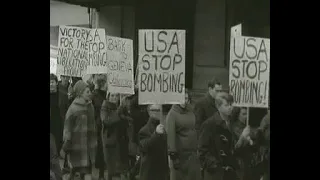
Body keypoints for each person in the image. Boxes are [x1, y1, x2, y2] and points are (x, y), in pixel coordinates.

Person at [61, 80, 97, 180]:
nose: (90, 94)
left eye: (90, 91)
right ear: (80, 93)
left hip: (88, 147)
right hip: (76, 147)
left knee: (87, 173)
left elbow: (93, 126)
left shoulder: (91, 107)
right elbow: (67, 127)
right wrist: (67, 142)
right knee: (75, 172)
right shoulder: (73, 109)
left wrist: (95, 142)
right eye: (87, 92)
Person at [198, 92, 239, 180]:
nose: (230, 107)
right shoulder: (209, 124)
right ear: (218, 107)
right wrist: (215, 165)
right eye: (226, 105)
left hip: (230, 171)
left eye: (231, 104)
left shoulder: (232, 123)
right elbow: (202, 151)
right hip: (215, 173)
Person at [166, 89, 201, 180]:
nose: (184, 101)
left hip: (192, 155)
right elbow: (170, 136)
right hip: (180, 156)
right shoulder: (172, 114)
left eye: (186, 98)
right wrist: (173, 156)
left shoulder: (190, 111)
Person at [100, 92, 127, 180]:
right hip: (110, 141)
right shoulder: (105, 107)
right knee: (111, 169)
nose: (114, 98)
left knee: (120, 169)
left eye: (116, 95)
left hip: (120, 140)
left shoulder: (120, 107)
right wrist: (119, 110)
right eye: (112, 95)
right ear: (108, 96)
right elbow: (107, 122)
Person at [138, 104, 169, 180]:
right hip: (150, 171)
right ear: (149, 112)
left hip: (162, 170)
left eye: (159, 110)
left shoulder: (163, 128)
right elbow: (145, 147)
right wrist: (156, 134)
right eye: (154, 110)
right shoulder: (144, 130)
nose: (157, 112)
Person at [91, 75, 107, 180]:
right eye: (106, 83)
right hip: (98, 124)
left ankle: (101, 169)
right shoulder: (96, 96)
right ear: (102, 84)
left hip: (103, 124)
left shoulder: (106, 95)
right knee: (100, 148)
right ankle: (100, 172)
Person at [50, 74, 63, 153]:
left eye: (52, 82)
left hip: (58, 123)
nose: (50, 84)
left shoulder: (61, 94)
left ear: (56, 83)